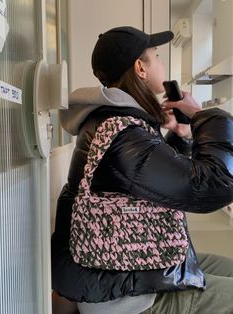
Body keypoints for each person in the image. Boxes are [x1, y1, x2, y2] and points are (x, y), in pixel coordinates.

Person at [51, 26, 233, 314]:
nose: (162, 63)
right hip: (126, 295)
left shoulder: (113, 123)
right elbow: (211, 186)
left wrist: (182, 135)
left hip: (123, 273)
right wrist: (202, 116)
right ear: (140, 67)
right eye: (157, 56)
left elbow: (154, 178)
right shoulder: (123, 134)